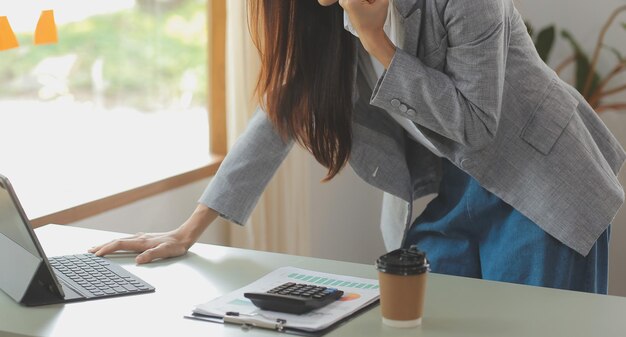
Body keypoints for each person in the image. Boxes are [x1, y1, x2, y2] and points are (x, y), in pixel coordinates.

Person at [90, 0, 625, 294]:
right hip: (451, 190)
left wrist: (377, 41)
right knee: (429, 319)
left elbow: (476, 122)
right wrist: (189, 229)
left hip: (539, 178)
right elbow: (279, 115)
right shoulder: (328, 19)